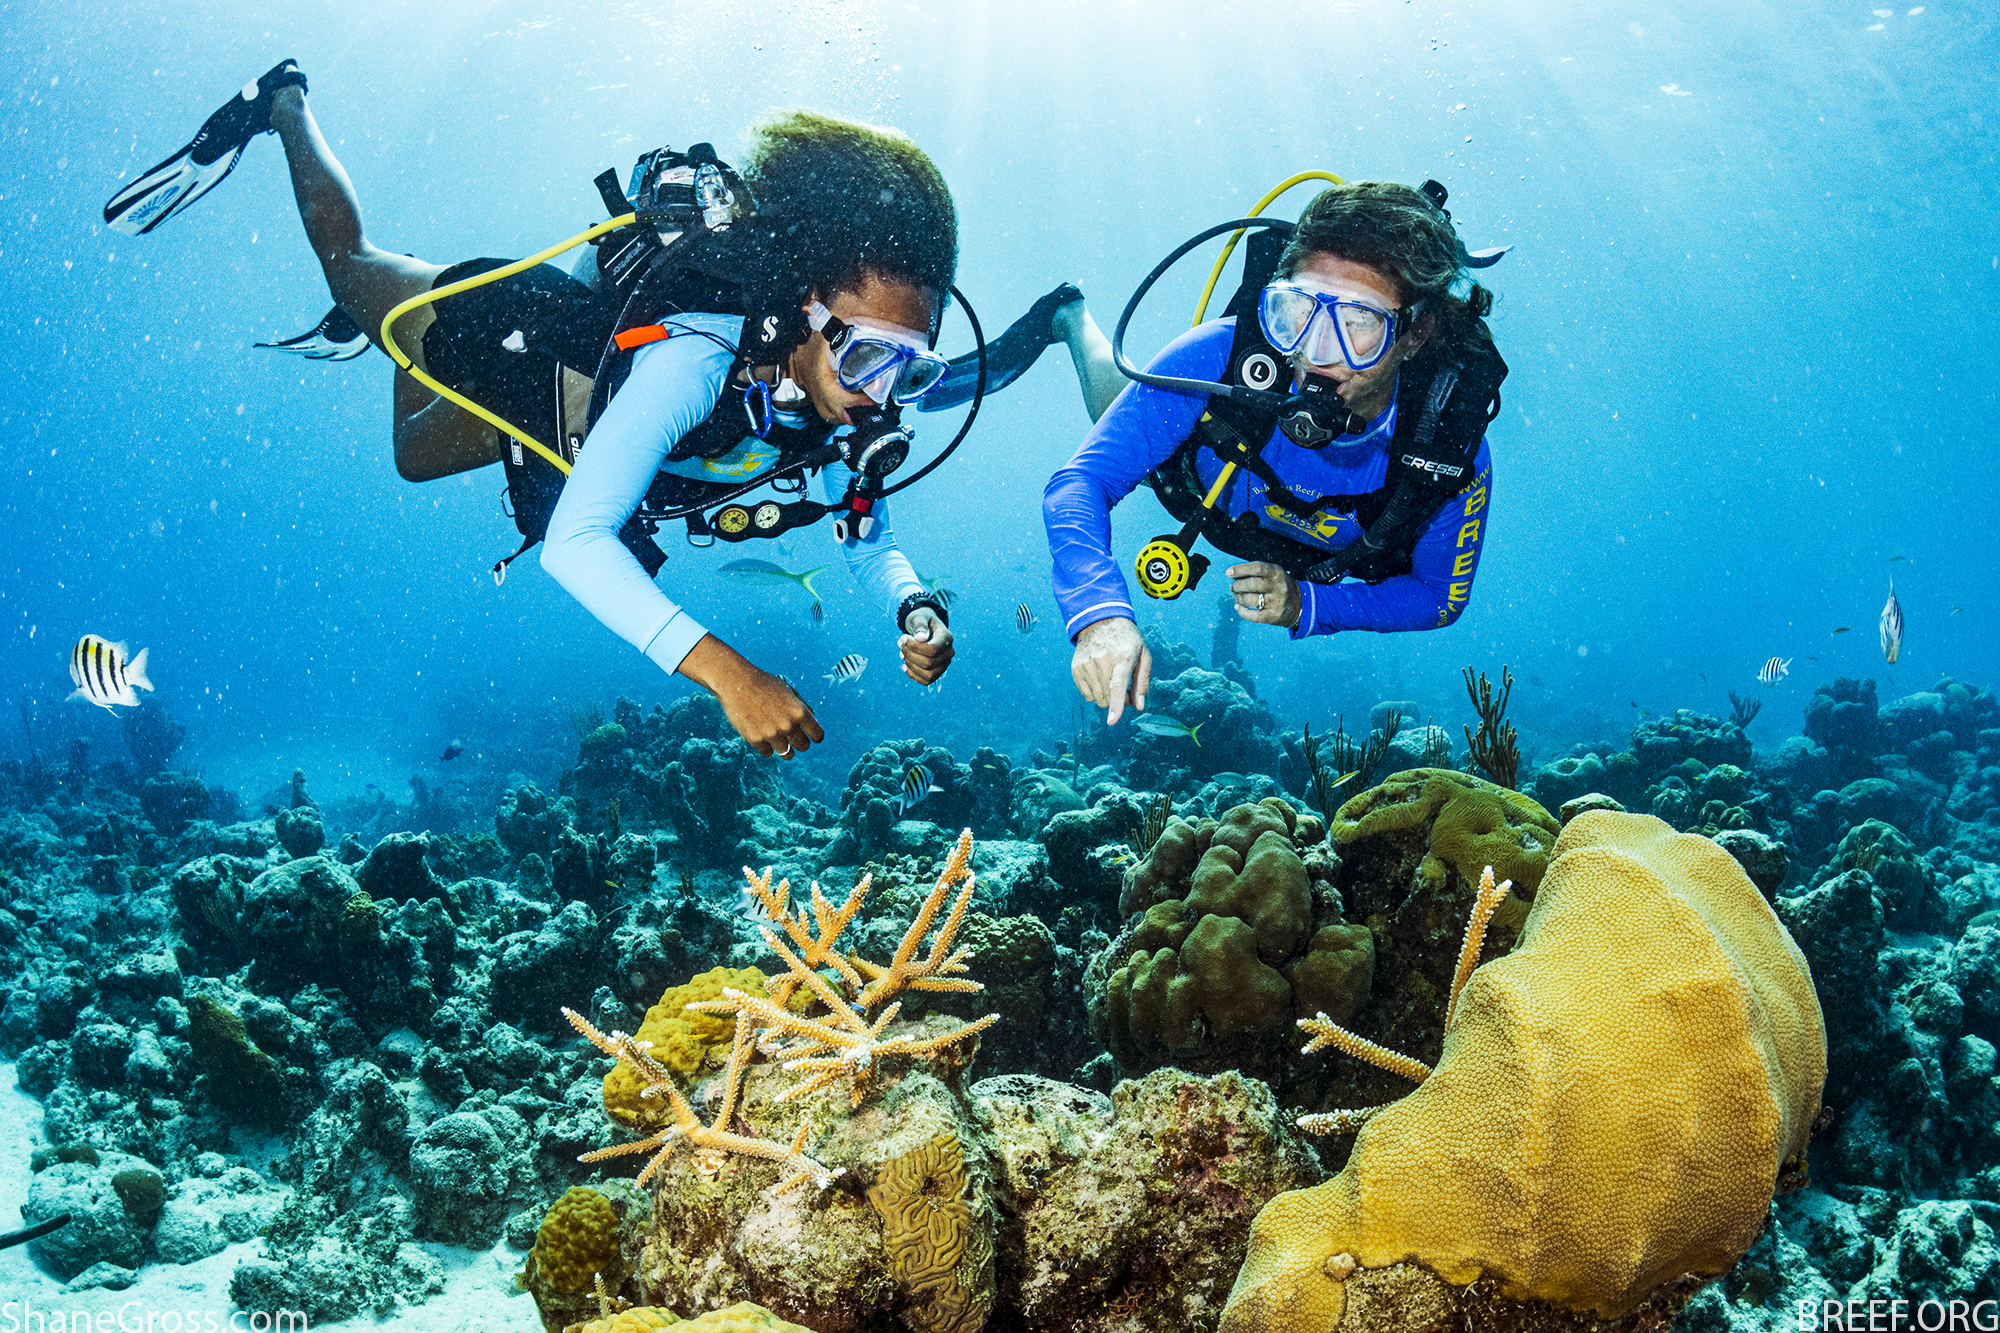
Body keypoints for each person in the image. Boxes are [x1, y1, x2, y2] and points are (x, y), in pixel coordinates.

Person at [104, 62, 1116, 758]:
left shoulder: (863, 389)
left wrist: (910, 603)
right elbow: (577, 546)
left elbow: (870, 534)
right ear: (802, 311)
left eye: (908, 365)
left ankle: (383, 330)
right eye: (860, 354)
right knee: (358, 274)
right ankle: (287, 105)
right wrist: (729, 676)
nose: (879, 392)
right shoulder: (695, 358)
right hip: (522, 348)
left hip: (571, 429)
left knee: (412, 456)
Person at [1044, 180, 1506, 723]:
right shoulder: (1217, 355)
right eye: (1297, 310)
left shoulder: (1448, 450)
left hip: (1303, 553)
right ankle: (1072, 317)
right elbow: (1081, 480)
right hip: (1198, 483)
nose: (1317, 350)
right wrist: (1098, 613)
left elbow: (1438, 597)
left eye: (1360, 323)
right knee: (1111, 414)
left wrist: (1307, 605)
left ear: (1417, 332)